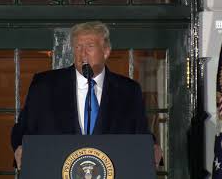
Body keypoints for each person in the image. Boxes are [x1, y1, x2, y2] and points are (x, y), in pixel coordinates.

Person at [11, 21, 161, 169]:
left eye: (90, 46)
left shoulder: (128, 90)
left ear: (106, 51)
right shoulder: (44, 86)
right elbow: (23, 129)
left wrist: (152, 147)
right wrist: (19, 146)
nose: (82, 53)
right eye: (78, 47)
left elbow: (140, 133)